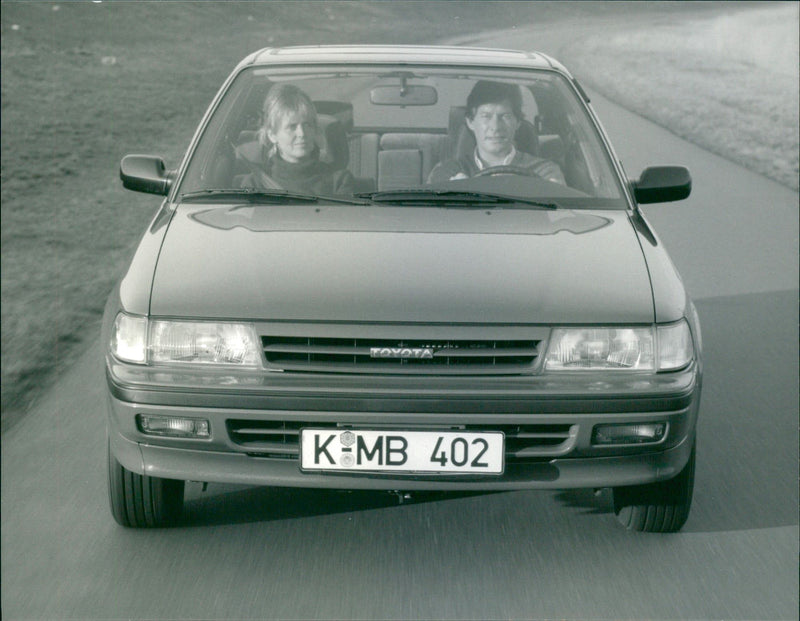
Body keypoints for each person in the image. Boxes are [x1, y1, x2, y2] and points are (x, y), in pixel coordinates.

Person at [428, 80, 565, 185]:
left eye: (504, 116)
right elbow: (432, 217)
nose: (495, 127)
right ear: (470, 122)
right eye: (486, 116)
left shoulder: (544, 171)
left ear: (518, 123)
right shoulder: (447, 172)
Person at [237, 84, 354, 195]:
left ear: (315, 129)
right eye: (291, 127)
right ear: (272, 135)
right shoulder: (256, 184)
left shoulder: (339, 182)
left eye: (307, 125)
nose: (302, 133)